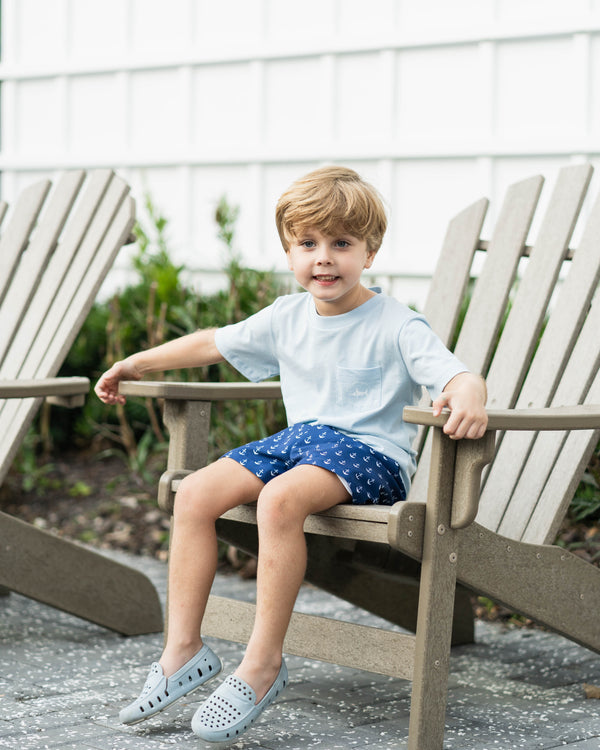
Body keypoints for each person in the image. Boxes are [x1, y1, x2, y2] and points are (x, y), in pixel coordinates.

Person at [95, 166, 488, 742]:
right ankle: (183, 650)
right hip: (301, 445)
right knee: (196, 492)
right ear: (288, 252)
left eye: (341, 243)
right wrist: (136, 364)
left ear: (370, 251)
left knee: (279, 501)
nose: (323, 258)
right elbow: (211, 342)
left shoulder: (397, 323)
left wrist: (470, 395)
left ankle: (262, 664)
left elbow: (452, 373)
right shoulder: (286, 317)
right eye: (308, 244)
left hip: (370, 457)